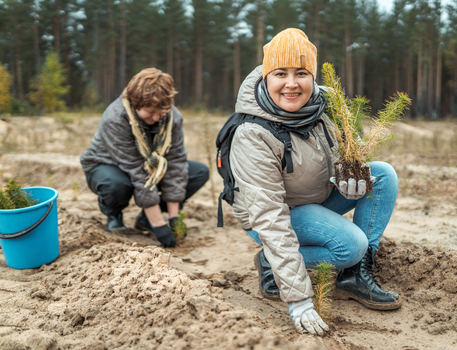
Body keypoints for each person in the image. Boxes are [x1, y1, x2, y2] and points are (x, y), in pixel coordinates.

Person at [229, 29, 400, 336]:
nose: (292, 83)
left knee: (383, 174)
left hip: (317, 197)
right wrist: (299, 300)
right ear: (267, 76)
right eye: (281, 73)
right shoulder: (252, 134)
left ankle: (356, 274)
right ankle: (270, 261)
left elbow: (351, 150)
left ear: (313, 76)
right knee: (351, 245)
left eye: (302, 73)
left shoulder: (327, 105)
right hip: (273, 216)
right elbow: (270, 216)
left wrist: (350, 177)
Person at [80, 68, 209, 248]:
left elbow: (176, 162)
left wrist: (174, 218)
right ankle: (114, 214)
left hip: (151, 164)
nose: (157, 118)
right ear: (135, 104)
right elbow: (138, 171)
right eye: (150, 112)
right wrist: (159, 225)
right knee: (116, 185)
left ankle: (144, 220)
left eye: (161, 112)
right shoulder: (115, 118)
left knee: (198, 172)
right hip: (106, 164)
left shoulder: (173, 117)